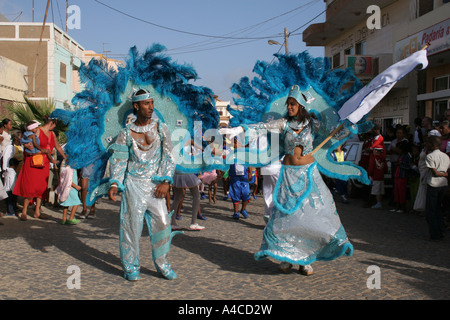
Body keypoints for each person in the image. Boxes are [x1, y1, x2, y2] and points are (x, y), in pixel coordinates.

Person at [220, 85, 353, 276]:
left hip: (309, 173)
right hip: (288, 174)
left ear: (301, 106)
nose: (289, 107)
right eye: (288, 104)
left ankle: (306, 260)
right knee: (287, 218)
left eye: (293, 104)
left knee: (309, 215)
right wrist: (241, 128)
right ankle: (286, 257)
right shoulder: (283, 124)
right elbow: (262, 127)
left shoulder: (313, 124)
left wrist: (350, 126)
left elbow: (333, 133)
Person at [108, 88, 178, 281]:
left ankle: (162, 264)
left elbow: (169, 156)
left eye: (152, 103)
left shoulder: (161, 128)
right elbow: (120, 161)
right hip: (133, 185)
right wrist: (115, 183)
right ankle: (130, 266)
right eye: (146, 104)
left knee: (163, 224)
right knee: (131, 227)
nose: (151, 107)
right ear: (136, 106)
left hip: (156, 185)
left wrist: (165, 180)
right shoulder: (125, 134)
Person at [424, 135, 450, 241]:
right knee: (439, 209)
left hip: (434, 185)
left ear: (432, 144)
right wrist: (445, 175)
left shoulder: (430, 156)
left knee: (431, 211)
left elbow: (435, 173)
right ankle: (441, 230)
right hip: (444, 185)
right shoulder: (445, 156)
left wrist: (442, 174)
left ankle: (435, 233)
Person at [228, 137, 251, 220]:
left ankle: (243, 209)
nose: (237, 145)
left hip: (244, 176)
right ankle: (236, 212)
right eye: (235, 143)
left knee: (246, 193)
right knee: (235, 193)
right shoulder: (230, 152)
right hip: (234, 176)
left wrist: (251, 172)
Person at [390, 140, 411, 213]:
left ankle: (402, 207)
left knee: (401, 193)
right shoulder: (401, 155)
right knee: (396, 192)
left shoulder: (407, 156)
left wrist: (400, 165)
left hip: (402, 176)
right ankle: (397, 206)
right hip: (397, 175)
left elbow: (408, 166)